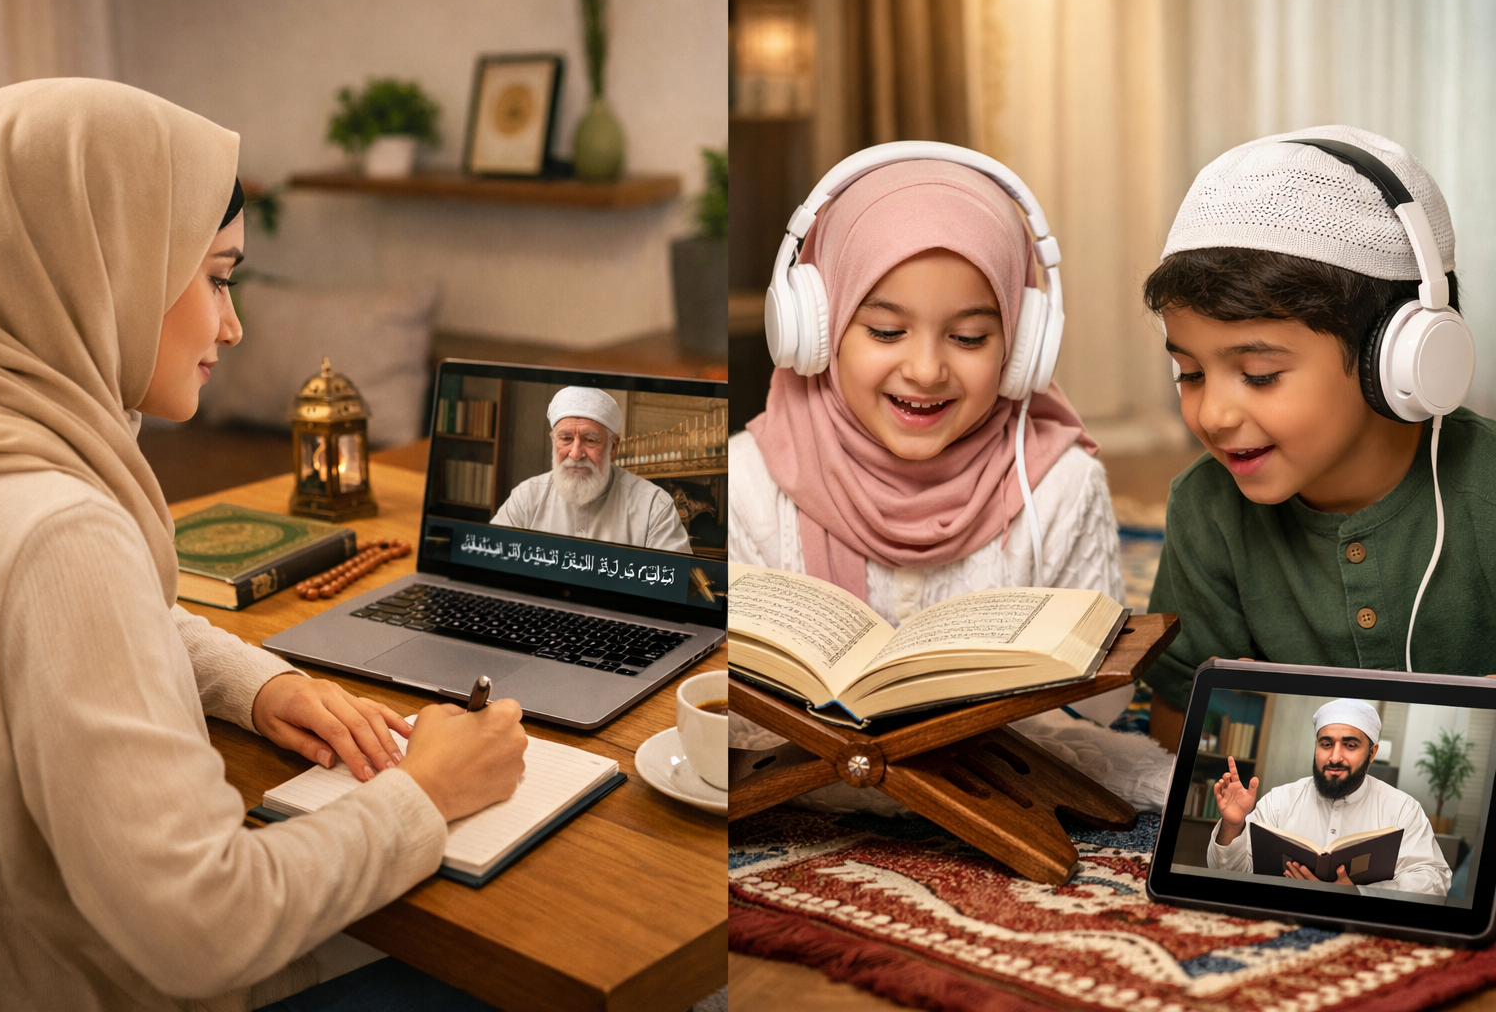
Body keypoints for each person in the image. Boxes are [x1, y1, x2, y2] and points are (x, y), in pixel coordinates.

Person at [0, 79, 527, 1011]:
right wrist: (429, 790)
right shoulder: (60, 529)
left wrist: (257, 683)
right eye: (219, 275)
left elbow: (77, 624)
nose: (233, 323)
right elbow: (206, 927)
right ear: (106, 262)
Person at [730, 154, 1165, 814]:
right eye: (884, 330)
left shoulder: (1058, 481)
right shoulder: (751, 479)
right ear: (815, 329)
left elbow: (1101, 704)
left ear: (1021, 349)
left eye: (968, 336)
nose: (927, 369)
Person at [1140, 125, 1496, 753]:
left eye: (1259, 375)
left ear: (1398, 358)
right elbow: (1178, 738)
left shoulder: (1486, 489)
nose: (1214, 414)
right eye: (1190, 373)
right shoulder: (1206, 507)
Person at [1207, 699, 1450, 896]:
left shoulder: (1402, 809)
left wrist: (1359, 894)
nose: (1335, 757)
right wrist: (1233, 824)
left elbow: (1434, 882)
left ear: (1372, 753)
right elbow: (1229, 875)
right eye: (1326, 744)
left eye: (1350, 745)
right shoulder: (1280, 801)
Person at [491, 385, 692, 553]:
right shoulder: (526, 498)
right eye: (566, 439)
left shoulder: (653, 507)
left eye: (590, 440)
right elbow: (489, 563)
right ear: (554, 441)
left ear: (613, 447)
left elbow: (671, 587)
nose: (576, 453)